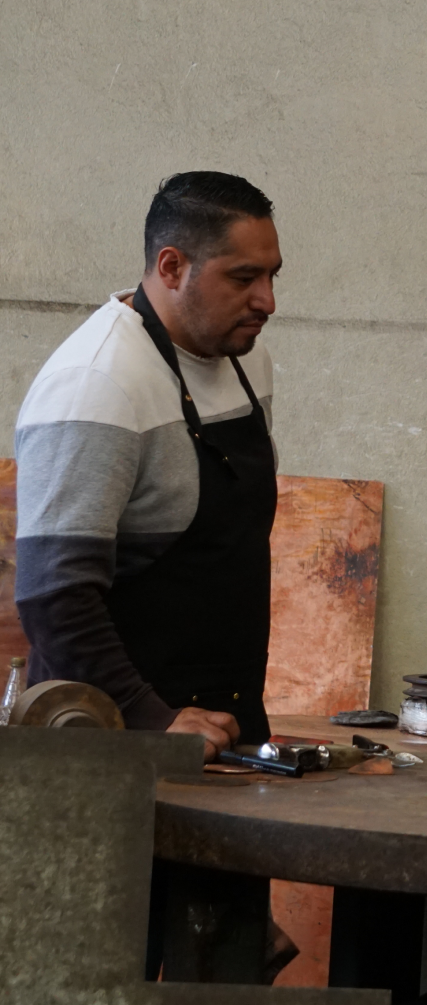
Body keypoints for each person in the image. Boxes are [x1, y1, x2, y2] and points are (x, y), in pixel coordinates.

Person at [15, 171, 281, 761]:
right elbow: (54, 594)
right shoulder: (97, 383)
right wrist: (150, 719)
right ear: (171, 267)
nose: (267, 300)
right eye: (243, 278)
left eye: (271, 275)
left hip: (225, 718)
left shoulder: (246, 357)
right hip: (111, 741)